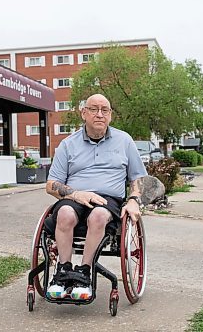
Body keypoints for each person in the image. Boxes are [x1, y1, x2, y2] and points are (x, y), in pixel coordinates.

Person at [45, 93, 147, 300]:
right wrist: (74, 194)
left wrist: (134, 200)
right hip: (75, 197)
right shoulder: (68, 144)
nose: (99, 114)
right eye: (93, 109)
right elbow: (50, 185)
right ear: (83, 113)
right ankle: (62, 272)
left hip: (108, 201)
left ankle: (84, 272)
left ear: (110, 115)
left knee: (98, 216)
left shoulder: (124, 141)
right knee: (64, 213)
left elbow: (138, 178)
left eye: (105, 110)